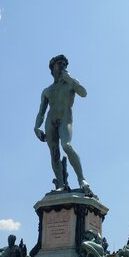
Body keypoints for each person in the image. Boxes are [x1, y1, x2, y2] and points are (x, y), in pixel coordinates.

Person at [34, 55, 90, 193]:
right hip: (50, 121)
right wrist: (36, 127)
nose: (63, 66)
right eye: (60, 64)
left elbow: (83, 93)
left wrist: (70, 79)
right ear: (52, 69)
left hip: (65, 118)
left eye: (65, 64)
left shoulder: (70, 83)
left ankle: (82, 179)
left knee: (66, 145)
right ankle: (60, 183)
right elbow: (41, 112)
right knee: (54, 154)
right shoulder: (47, 90)